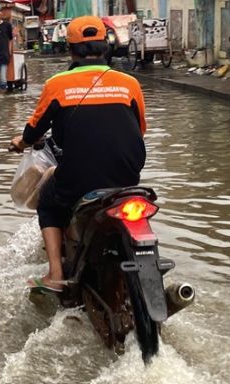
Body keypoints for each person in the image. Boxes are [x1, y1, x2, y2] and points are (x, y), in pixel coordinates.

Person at [9, 16, 147, 292]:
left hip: (78, 177)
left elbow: (34, 130)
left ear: (70, 49)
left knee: (48, 203)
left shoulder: (57, 84)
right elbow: (141, 129)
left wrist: (20, 143)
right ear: (106, 46)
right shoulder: (128, 83)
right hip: (128, 176)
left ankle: (55, 275)